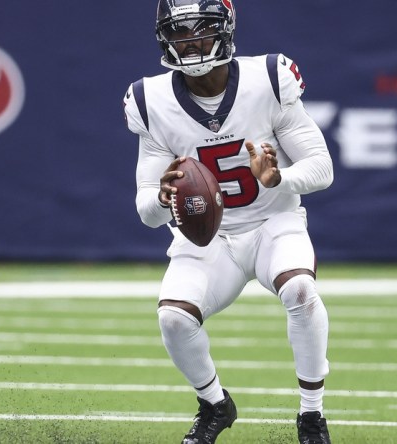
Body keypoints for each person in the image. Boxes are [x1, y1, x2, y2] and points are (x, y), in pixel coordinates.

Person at [123, 1, 333, 443]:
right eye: (180, 31)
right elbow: (146, 210)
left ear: (226, 28)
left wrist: (280, 177)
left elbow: (322, 166)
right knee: (174, 319)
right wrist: (163, 198)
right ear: (165, 37)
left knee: (300, 289)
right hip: (207, 240)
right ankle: (215, 404)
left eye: (201, 29)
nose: (191, 41)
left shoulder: (268, 78)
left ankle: (311, 416)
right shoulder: (151, 99)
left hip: (274, 223)